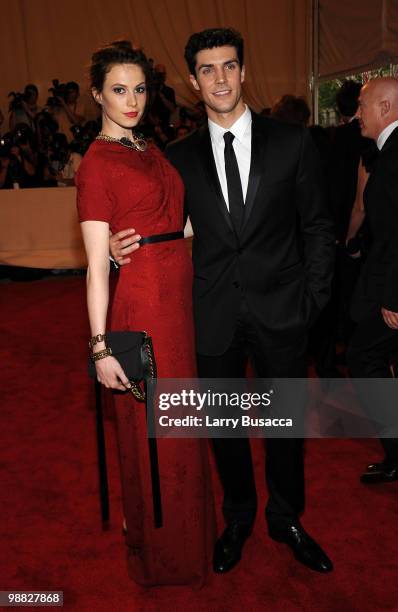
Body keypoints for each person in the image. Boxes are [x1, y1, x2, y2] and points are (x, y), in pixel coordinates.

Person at [110, 28, 335, 574]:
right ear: (193, 81)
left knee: (286, 426)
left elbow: (319, 227)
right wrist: (121, 248)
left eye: (228, 66)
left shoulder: (293, 141)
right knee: (225, 427)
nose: (220, 79)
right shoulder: (176, 159)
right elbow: (158, 228)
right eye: (207, 70)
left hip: (283, 311)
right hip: (209, 315)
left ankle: (286, 518)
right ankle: (238, 517)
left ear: (242, 71)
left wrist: (312, 301)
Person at [75, 40, 215, 587]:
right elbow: (93, 265)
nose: (131, 100)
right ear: (96, 95)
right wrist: (100, 345)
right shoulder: (96, 164)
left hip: (180, 305)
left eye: (139, 89)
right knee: (155, 430)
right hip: (143, 307)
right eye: (118, 90)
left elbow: (180, 224)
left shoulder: (151, 150)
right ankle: (164, 553)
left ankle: (186, 537)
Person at [347, 77, 398, 484]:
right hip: (383, 280)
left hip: (391, 289)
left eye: (363, 106)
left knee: (365, 360)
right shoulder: (387, 153)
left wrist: (394, 296)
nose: (356, 113)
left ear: (385, 107)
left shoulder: (396, 156)